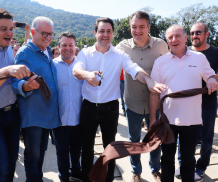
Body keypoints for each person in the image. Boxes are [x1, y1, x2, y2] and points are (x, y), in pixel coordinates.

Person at [73, 17, 166, 182]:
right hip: (88, 107)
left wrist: (150, 80)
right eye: (102, 31)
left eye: (109, 31)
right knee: (86, 147)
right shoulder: (85, 53)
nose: (105, 35)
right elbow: (76, 69)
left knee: (110, 148)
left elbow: (135, 69)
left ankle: (108, 178)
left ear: (112, 34)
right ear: (95, 33)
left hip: (110, 108)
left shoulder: (119, 55)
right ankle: (87, 178)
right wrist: (87, 75)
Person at [150, 24, 218, 182]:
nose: (174, 40)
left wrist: (211, 81)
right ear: (167, 40)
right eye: (170, 37)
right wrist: (153, 119)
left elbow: (210, 76)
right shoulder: (160, 62)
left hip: (192, 120)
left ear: (185, 38)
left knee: (188, 160)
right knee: (167, 159)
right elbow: (154, 92)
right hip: (168, 121)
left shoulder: (199, 58)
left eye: (177, 36)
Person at [116, 11, 169, 182]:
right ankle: (136, 171)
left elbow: (170, 69)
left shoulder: (161, 45)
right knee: (134, 139)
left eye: (141, 27)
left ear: (149, 27)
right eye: (134, 27)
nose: (137, 31)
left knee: (155, 138)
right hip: (132, 103)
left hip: (157, 103)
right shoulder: (122, 47)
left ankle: (155, 169)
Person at [12, 16, 60, 182]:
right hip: (33, 115)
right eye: (43, 33)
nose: (47, 37)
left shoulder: (47, 50)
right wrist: (25, 86)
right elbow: (14, 82)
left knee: (41, 153)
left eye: (50, 34)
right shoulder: (24, 53)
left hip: (46, 113)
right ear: (32, 32)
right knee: (33, 156)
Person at [175, 22, 218, 182]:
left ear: (207, 34)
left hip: (207, 102)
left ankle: (200, 167)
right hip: (186, 102)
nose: (194, 36)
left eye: (198, 32)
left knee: (206, 138)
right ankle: (184, 164)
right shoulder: (183, 52)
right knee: (183, 135)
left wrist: (211, 78)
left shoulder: (215, 53)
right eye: (192, 33)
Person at [0, 8, 31, 182]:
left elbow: (13, 80)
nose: (9, 33)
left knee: (10, 164)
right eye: (3, 29)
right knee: (1, 168)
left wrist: (27, 85)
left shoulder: (7, 47)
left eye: (11, 29)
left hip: (13, 115)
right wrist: (8, 70)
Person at [53, 32, 83, 182]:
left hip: (79, 118)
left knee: (77, 150)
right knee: (62, 152)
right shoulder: (52, 66)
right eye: (64, 45)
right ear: (58, 47)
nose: (67, 48)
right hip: (60, 119)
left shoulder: (82, 66)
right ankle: (63, 176)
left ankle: (76, 173)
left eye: (71, 45)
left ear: (75, 46)